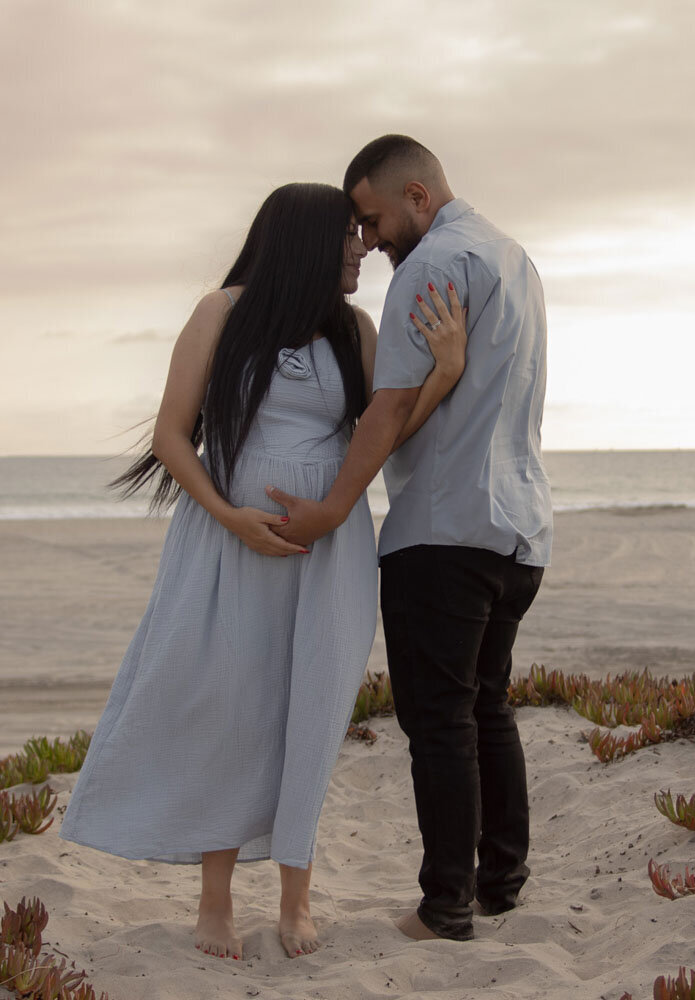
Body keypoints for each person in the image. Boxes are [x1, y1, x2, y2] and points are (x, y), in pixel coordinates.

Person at [58, 181, 466, 961]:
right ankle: (215, 902)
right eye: (349, 234)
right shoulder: (222, 313)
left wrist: (442, 374)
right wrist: (228, 515)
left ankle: (296, 896)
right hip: (225, 546)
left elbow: (383, 432)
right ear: (306, 241)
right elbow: (173, 436)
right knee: (229, 708)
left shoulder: (356, 329)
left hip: (329, 553)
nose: (362, 248)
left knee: (311, 709)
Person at [269, 136, 552, 942]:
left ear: (418, 196)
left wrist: (329, 508)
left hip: (444, 529)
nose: (369, 239)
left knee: (439, 723)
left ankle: (446, 907)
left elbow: (387, 410)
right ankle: (501, 881)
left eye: (374, 217)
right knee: (485, 706)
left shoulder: (430, 269)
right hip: (520, 529)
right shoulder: (515, 259)